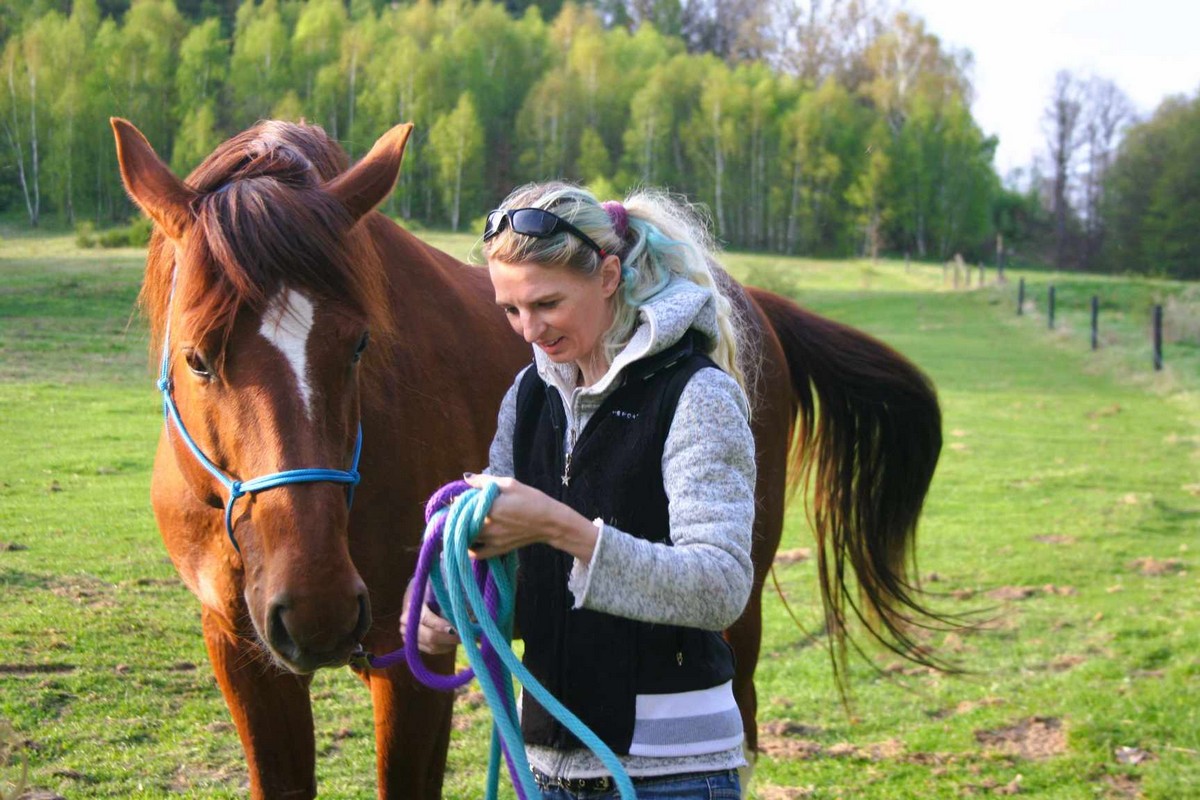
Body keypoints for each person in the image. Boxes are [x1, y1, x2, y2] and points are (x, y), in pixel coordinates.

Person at [401, 182, 756, 799]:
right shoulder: (529, 396)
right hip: (548, 767)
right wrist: (456, 604)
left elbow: (721, 586)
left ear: (609, 275)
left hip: (672, 773)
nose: (528, 329)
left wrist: (561, 528)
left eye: (547, 303)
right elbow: (516, 586)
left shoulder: (697, 395)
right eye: (510, 310)